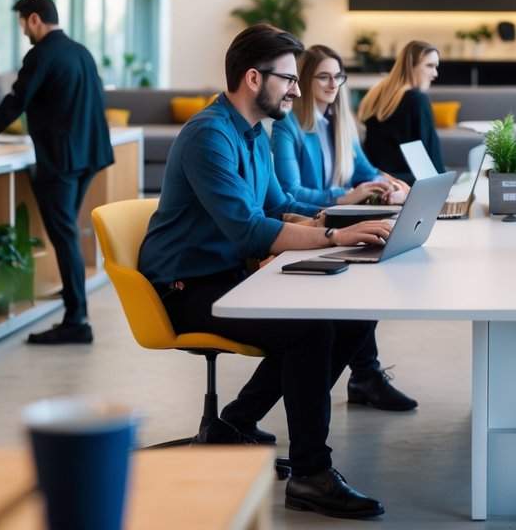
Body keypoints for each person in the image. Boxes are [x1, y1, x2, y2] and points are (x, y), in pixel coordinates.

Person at [138, 26, 391, 519]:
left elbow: (280, 204)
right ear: (254, 78)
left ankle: (233, 424)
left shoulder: (255, 133)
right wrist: (334, 238)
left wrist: (343, 218)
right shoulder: (208, 136)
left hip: (228, 275)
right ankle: (311, 474)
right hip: (185, 287)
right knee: (309, 332)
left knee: (354, 318)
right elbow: (251, 231)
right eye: (289, 80)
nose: (297, 91)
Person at [271, 44, 418, 412]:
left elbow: (367, 172)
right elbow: (289, 193)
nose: (333, 83)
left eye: (338, 76)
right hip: (306, 226)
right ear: (304, 81)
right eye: (323, 76)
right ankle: (365, 376)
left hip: (338, 220)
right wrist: (345, 195)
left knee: (379, 267)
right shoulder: (288, 127)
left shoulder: (341, 123)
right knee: (363, 284)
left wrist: (393, 185)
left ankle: (365, 375)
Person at [0, 0, 113, 346]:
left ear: (34, 19)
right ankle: (75, 306)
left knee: (64, 234)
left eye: (23, 23)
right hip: (90, 156)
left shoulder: (41, 54)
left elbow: (17, 100)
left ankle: (76, 319)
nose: (23, 31)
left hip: (62, 160)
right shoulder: (81, 51)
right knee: (66, 230)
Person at [358, 40, 444, 183]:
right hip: (406, 185)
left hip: (375, 182)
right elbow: (433, 163)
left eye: (436, 67)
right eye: (429, 66)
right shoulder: (417, 99)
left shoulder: (376, 94)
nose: (435, 73)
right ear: (411, 67)